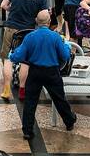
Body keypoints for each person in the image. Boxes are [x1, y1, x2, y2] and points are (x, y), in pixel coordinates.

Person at [8, 10, 76, 138]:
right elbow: (65, 55)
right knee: (59, 98)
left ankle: (27, 130)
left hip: (35, 72)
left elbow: (19, 55)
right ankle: (69, 121)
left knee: (30, 101)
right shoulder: (55, 37)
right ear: (49, 22)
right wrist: (66, 46)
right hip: (52, 72)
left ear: (36, 21)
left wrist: (12, 55)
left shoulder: (30, 37)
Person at [0, 0, 48, 102]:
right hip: (28, 31)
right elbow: (44, 17)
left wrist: (13, 10)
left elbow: (3, 5)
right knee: (25, 61)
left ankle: (6, 89)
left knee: (8, 58)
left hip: (11, 27)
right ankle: (22, 90)